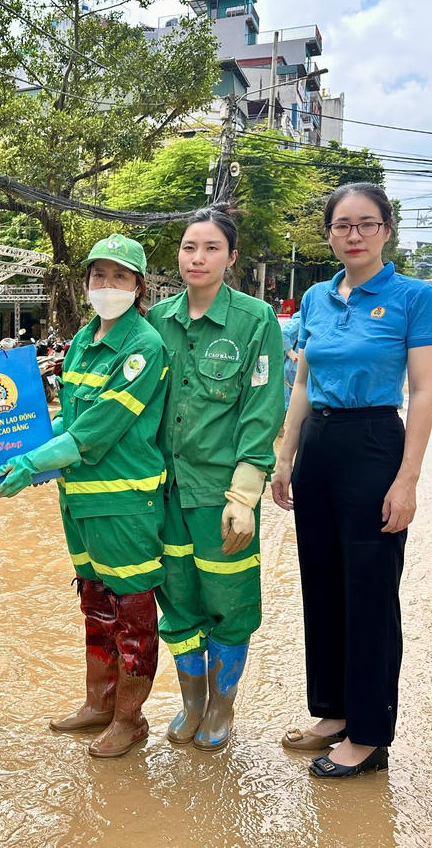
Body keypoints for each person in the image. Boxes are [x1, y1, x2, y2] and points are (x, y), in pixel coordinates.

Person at [271, 183, 432, 778]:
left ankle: (369, 734)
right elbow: (299, 383)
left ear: (386, 230)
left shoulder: (413, 296)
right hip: (317, 440)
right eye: (342, 225)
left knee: (370, 591)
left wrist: (408, 479)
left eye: (366, 224)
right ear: (329, 233)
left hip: (374, 443)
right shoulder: (316, 298)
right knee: (321, 584)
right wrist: (285, 456)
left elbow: (423, 391)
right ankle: (333, 711)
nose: (354, 235)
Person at [0, 234, 169, 758]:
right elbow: (71, 416)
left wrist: (31, 462)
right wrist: (25, 445)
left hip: (125, 503)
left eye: (118, 277)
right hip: (80, 501)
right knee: (95, 604)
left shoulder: (142, 346)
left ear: (138, 287)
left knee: (132, 611)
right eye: (98, 276)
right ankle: (98, 704)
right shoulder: (84, 340)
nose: (106, 286)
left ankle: (130, 719)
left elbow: (98, 430)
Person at [147, 208, 285, 752]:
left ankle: (222, 708)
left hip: (220, 495)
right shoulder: (157, 321)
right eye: (188, 247)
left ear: (231, 257)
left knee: (228, 601)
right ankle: (191, 704)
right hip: (162, 492)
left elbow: (261, 411)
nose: (196, 258)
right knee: (176, 600)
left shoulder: (255, 322)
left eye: (209, 248)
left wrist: (245, 496)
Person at [282, 311, 301, 412]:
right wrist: (290, 352)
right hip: (292, 365)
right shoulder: (300, 320)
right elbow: (284, 332)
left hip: (296, 365)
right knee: (288, 398)